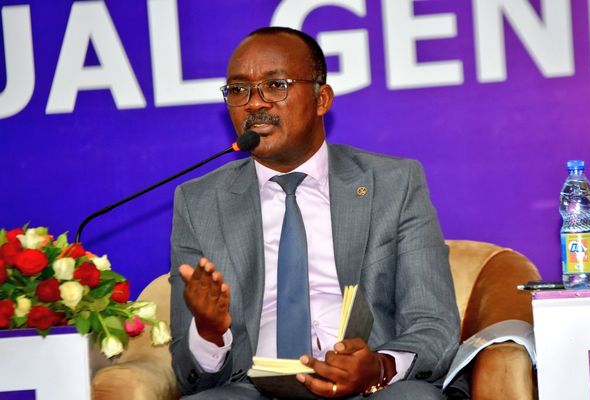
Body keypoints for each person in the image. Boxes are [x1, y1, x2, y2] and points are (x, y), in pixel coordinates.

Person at [169, 26, 461, 399]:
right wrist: (209, 332)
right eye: (239, 89)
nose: (254, 103)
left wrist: (379, 367)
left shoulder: (393, 184)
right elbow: (188, 372)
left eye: (275, 86)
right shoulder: (199, 202)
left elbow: (434, 323)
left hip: (370, 388)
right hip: (252, 389)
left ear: (321, 99)